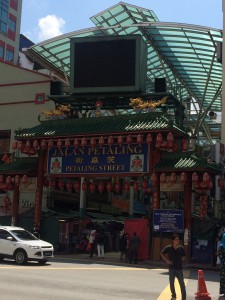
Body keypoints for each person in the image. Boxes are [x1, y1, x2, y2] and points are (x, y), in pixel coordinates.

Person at [161, 233, 186, 300]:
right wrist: (167, 261)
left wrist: (183, 258)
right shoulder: (169, 248)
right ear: (173, 240)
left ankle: (184, 298)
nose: (178, 241)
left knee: (182, 284)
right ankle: (174, 296)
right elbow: (162, 253)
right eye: (176, 239)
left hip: (179, 269)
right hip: (172, 268)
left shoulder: (181, 248)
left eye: (178, 239)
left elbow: (184, 256)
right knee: (171, 283)